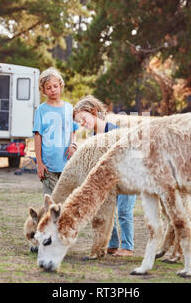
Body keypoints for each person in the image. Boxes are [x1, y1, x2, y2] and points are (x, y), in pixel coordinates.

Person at [73, 95, 136, 257]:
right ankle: (113, 244)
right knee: (106, 211)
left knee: (124, 211)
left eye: (83, 118)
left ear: (93, 112)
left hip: (127, 176)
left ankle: (128, 247)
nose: (82, 124)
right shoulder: (93, 138)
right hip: (108, 181)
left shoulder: (114, 130)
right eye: (79, 122)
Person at [33, 67, 79, 195]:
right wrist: (39, 163)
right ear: (43, 90)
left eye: (55, 86)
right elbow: (38, 137)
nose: (53, 89)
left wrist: (73, 144)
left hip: (67, 165)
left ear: (60, 85)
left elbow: (73, 131)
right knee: (51, 204)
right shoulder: (41, 110)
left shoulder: (69, 108)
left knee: (66, 203)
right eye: (48, 87)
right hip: (49, 167)